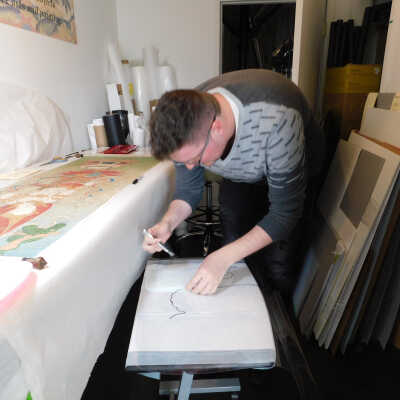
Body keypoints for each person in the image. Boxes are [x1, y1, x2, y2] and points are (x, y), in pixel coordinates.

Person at [142, 68, 325, 301]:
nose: (190, 167)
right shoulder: (186, 124)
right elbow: (188, 190)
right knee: (233, 240)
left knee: (279, 263)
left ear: (216, 128)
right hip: (243, 166)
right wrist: (168, 223)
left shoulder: (278, 120)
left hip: (294, 167)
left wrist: (222, 258)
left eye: (195, 159)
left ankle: (272, 308)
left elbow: (284, 215)